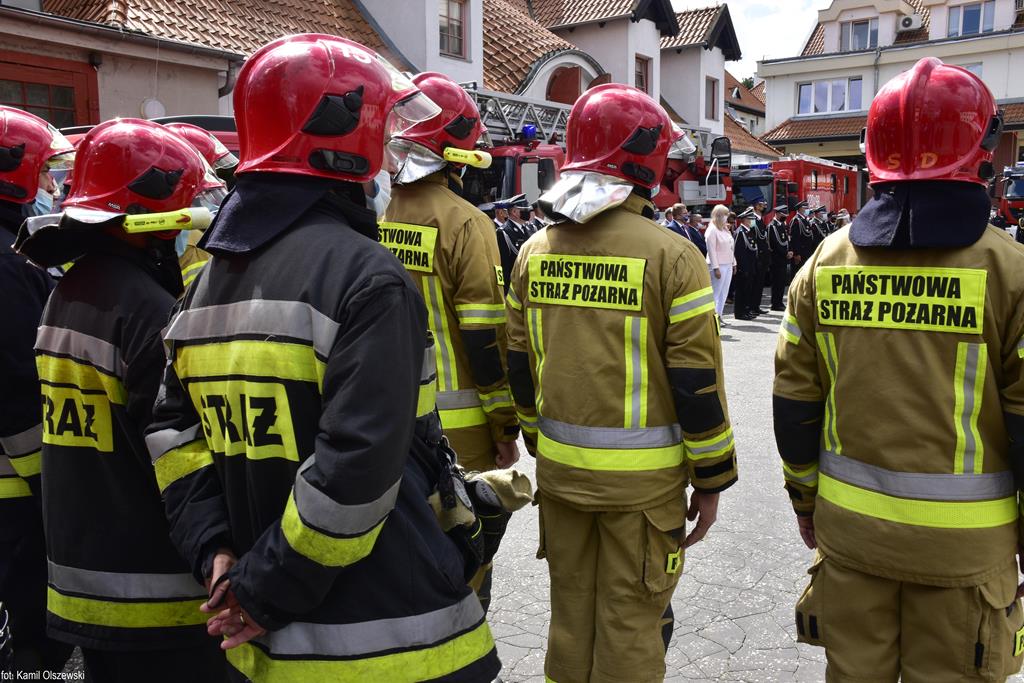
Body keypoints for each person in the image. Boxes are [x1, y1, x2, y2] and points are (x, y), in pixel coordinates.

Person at [145, 35, 501, 682]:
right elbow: (355, 469)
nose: (388, 160)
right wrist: (262, 590)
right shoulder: (368, 279)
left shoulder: (205, 285)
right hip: (391, 643)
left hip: (261, 649)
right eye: (382, 137)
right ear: (342, 140)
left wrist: (215, 554)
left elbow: (173, 439)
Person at [774, 57, 1024, 682]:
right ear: (982, 151)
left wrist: (805, 500)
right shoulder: (1011, 272)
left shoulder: (825, 263)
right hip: (965, 558)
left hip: (850, 540)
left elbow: (793, 400)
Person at [506, 82, 736, 683]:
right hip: (643, 494)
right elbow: (696, 384)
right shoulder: (673, 257)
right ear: (647, 162)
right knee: (631, 628)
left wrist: (536, 441)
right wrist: (711, 480)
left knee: (570, 622)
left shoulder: (533, 251)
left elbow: (518, 365)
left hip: (561, 480)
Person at [15, 118, 228, 682]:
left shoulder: (72, 289)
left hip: (86, 576)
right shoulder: (147, 311)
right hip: (155, 593)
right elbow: (178, 449)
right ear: (149, 214)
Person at [383, 70, 521, 612]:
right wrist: (504, 426)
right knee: (465, 551)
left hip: (384, 416)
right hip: (457, 429)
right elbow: (484, 338)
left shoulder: (374, 214)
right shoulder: (466, 223)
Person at [0, 106, 74, 678]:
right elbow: (20, 379)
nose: (52, 185)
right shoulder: (7, 265)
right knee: (26, 611)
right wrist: (53, 481)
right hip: (15, 485)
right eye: (45, 171)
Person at [495, 195, 538, 292]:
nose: (528, 212)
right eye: (525, 210)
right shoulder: (504, 232)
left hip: (531, 285)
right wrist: (503, 290)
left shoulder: (531, 229)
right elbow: (502, 265)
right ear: (514, 212)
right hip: (514, 287)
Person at [705, 204, 735, 322]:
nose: (727, 217)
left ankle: (720, 316)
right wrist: (715, 267)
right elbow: (711, 250)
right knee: (715, 293)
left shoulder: (724, 229)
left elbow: (731, 247)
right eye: (725, 215)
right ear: (718, 215)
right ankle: (712, 318)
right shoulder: (712, 230)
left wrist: (733, 262)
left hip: (727, 264)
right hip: (718, 265)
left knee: (724, 292)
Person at [732, 207, 759, 321]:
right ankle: (740, 312)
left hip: (750, 266)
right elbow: (739, 252)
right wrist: (743, 268)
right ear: (745, 220)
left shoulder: (748, 232)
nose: (753, 221)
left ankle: (746, 310)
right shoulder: (740, 233)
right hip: (744, 267)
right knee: (741, 290)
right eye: (751, 219)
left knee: (748, 289)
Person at [767, 204, 792, 311]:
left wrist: (790, 251)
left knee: (782, 282)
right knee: (777, 282)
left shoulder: (781, 225)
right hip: (776, 258)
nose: (785, 217)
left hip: (783, 258)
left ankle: (779, 302)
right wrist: (785, 253)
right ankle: (775, 303)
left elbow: (786, 240)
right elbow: (775, 243)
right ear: (777, 214)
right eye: (783, 215)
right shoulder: (772, 226)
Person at [751, 199, 771, 315]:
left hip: (763, 256)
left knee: (760, 283)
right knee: (755, 283)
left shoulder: (760, 220)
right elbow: (753, 237)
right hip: (758, 255)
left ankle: (756, 306)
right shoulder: (753, 220)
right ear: (756, 206)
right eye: (762, 205)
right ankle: (752, 307)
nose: (764, 207)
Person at [788, 200, 815, 271]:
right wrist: (796, 254)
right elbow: (794, 239)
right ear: (800, 209)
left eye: (808, 208)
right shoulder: (796, 220)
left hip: (807, 252)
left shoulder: (805, 220)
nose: (807, 210)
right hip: (801, 253)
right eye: (805, 208)